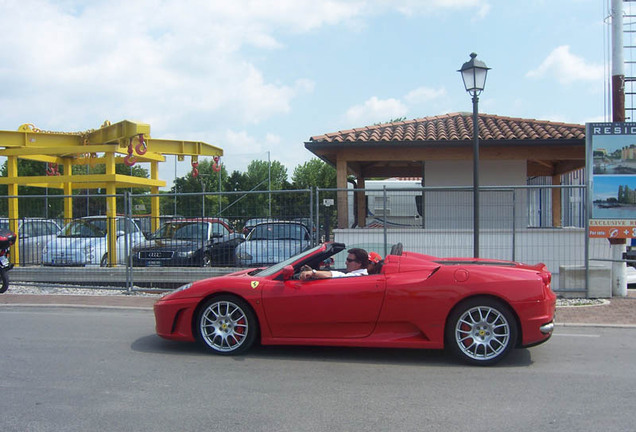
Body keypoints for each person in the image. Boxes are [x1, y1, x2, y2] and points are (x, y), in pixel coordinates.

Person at [300, 248, 369, 280]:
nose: (346, 263)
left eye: (349, 260)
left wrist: (313, 272)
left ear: (359, 263)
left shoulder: (359, 276)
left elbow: (339, 276)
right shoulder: (358, 274)